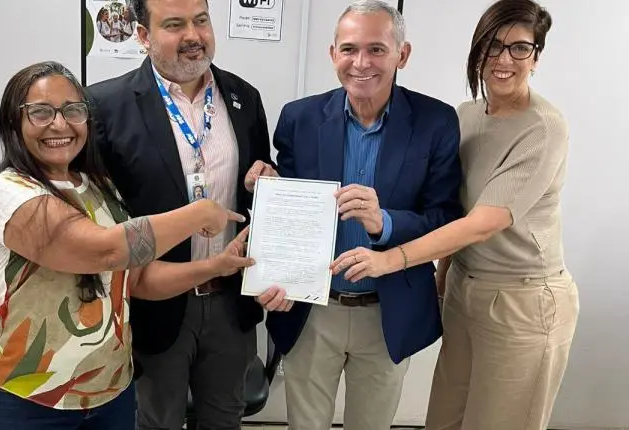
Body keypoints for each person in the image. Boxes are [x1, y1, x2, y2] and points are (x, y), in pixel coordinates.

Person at [331, 1, 579, 429]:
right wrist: (444, 278)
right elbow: (450, 208)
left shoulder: (543, 128)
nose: (503, 59)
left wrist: (388, 260)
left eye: (520, 48)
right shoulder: (466, 116)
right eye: (493, 46)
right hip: (465, 289)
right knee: (444, 419)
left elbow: (482, 223)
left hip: (521, 298)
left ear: (536, 57)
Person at [0, 61, 244, 429]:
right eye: (41, 112)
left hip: (110, 392)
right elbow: (105, 251)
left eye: (73, 110)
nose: (60, 124)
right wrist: (200, 213)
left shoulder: (98, 187)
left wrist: (214, 266)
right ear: (13, 122)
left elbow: (136, 279)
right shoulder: (6, 192)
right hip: (25, 398)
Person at [256, 1, 464, 429]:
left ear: (402, 55)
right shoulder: (299, 118)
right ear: (333, 53)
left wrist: (385, 223)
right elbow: (288, 209)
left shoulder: (436, 122)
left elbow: (445, 218)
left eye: (377, 49)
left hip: (388, 311)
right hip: (311, 309)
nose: (361, 62)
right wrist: (265, 186)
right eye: (349, 49)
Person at [86, 1, 290, 428]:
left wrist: (265, 180)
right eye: (174, 25)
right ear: (143, 36)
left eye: (201, 21)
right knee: (156, 420)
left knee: (225, 419)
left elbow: (257, 190)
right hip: (154, 302)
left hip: (231, 301)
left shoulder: (243, 97)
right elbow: (97, 214)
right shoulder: (105, 105)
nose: (193, 36)